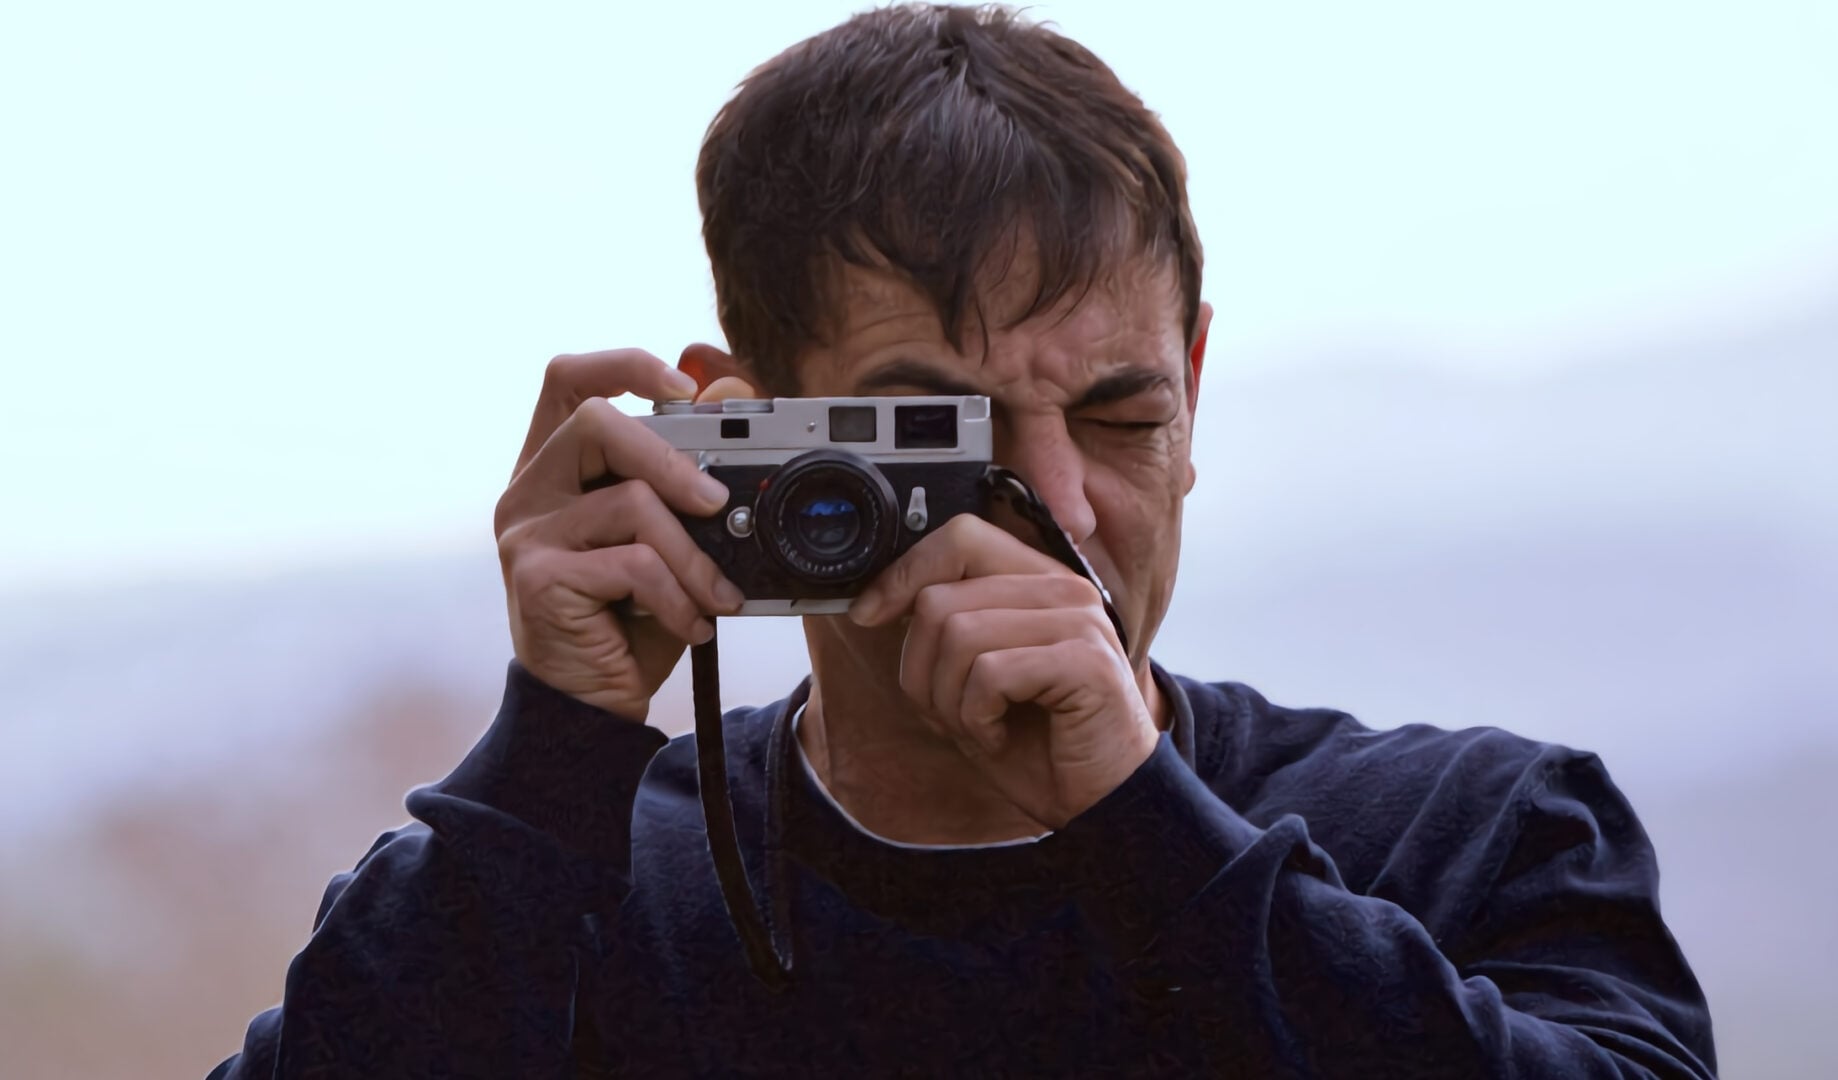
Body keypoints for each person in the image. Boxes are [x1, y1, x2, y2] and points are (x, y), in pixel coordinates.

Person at [210, 5, 1716, 1077]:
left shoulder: (1471, 842)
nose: (1062, 505)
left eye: (1122, 417)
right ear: (740, 428)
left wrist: (1149, 828)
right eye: (945, 434)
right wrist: (550, 764)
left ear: (1195, 389)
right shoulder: (572, 899)